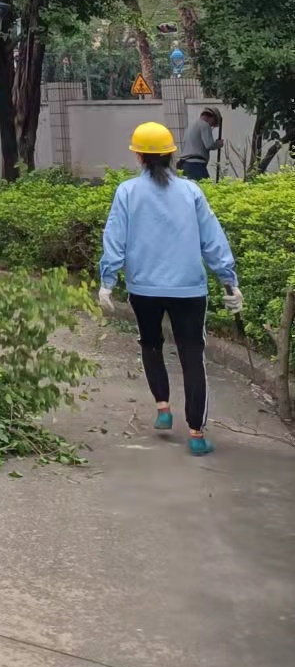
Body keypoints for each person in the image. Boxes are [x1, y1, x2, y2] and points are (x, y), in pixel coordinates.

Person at [99, 121, 242, 456]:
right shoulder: (192, 191)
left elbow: (115, 239)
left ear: (139, 157)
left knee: (150, 344)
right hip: (189, 289)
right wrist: (228, 279)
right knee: (192, 355)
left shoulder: (127, 192)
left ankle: (163, 409)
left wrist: (107, 282)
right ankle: (196, 433)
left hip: (143, 288)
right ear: (171, 155)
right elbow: (212, 240)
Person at [179, 108, 222, 181]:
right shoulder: (204, 125)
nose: (212, 126)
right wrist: (218, 144)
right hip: (196, 165)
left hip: (185, 163)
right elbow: (209, 145)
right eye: (214, 124)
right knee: (204, 187)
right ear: (212, 118)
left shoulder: (191, 126)